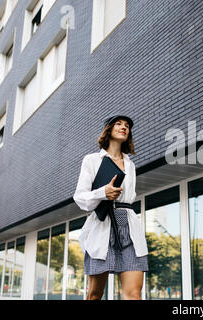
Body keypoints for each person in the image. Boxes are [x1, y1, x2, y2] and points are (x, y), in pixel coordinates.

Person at [73, 115, 149, 300]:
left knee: (133, 294)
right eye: (119, 124)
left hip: (129, 227)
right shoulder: (91, 160)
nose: (124, 127)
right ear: (108, 129)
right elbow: (80, 198)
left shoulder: (130, 165)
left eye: (127, 126)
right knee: (95, 294)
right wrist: (102, 193)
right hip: (103, 225)